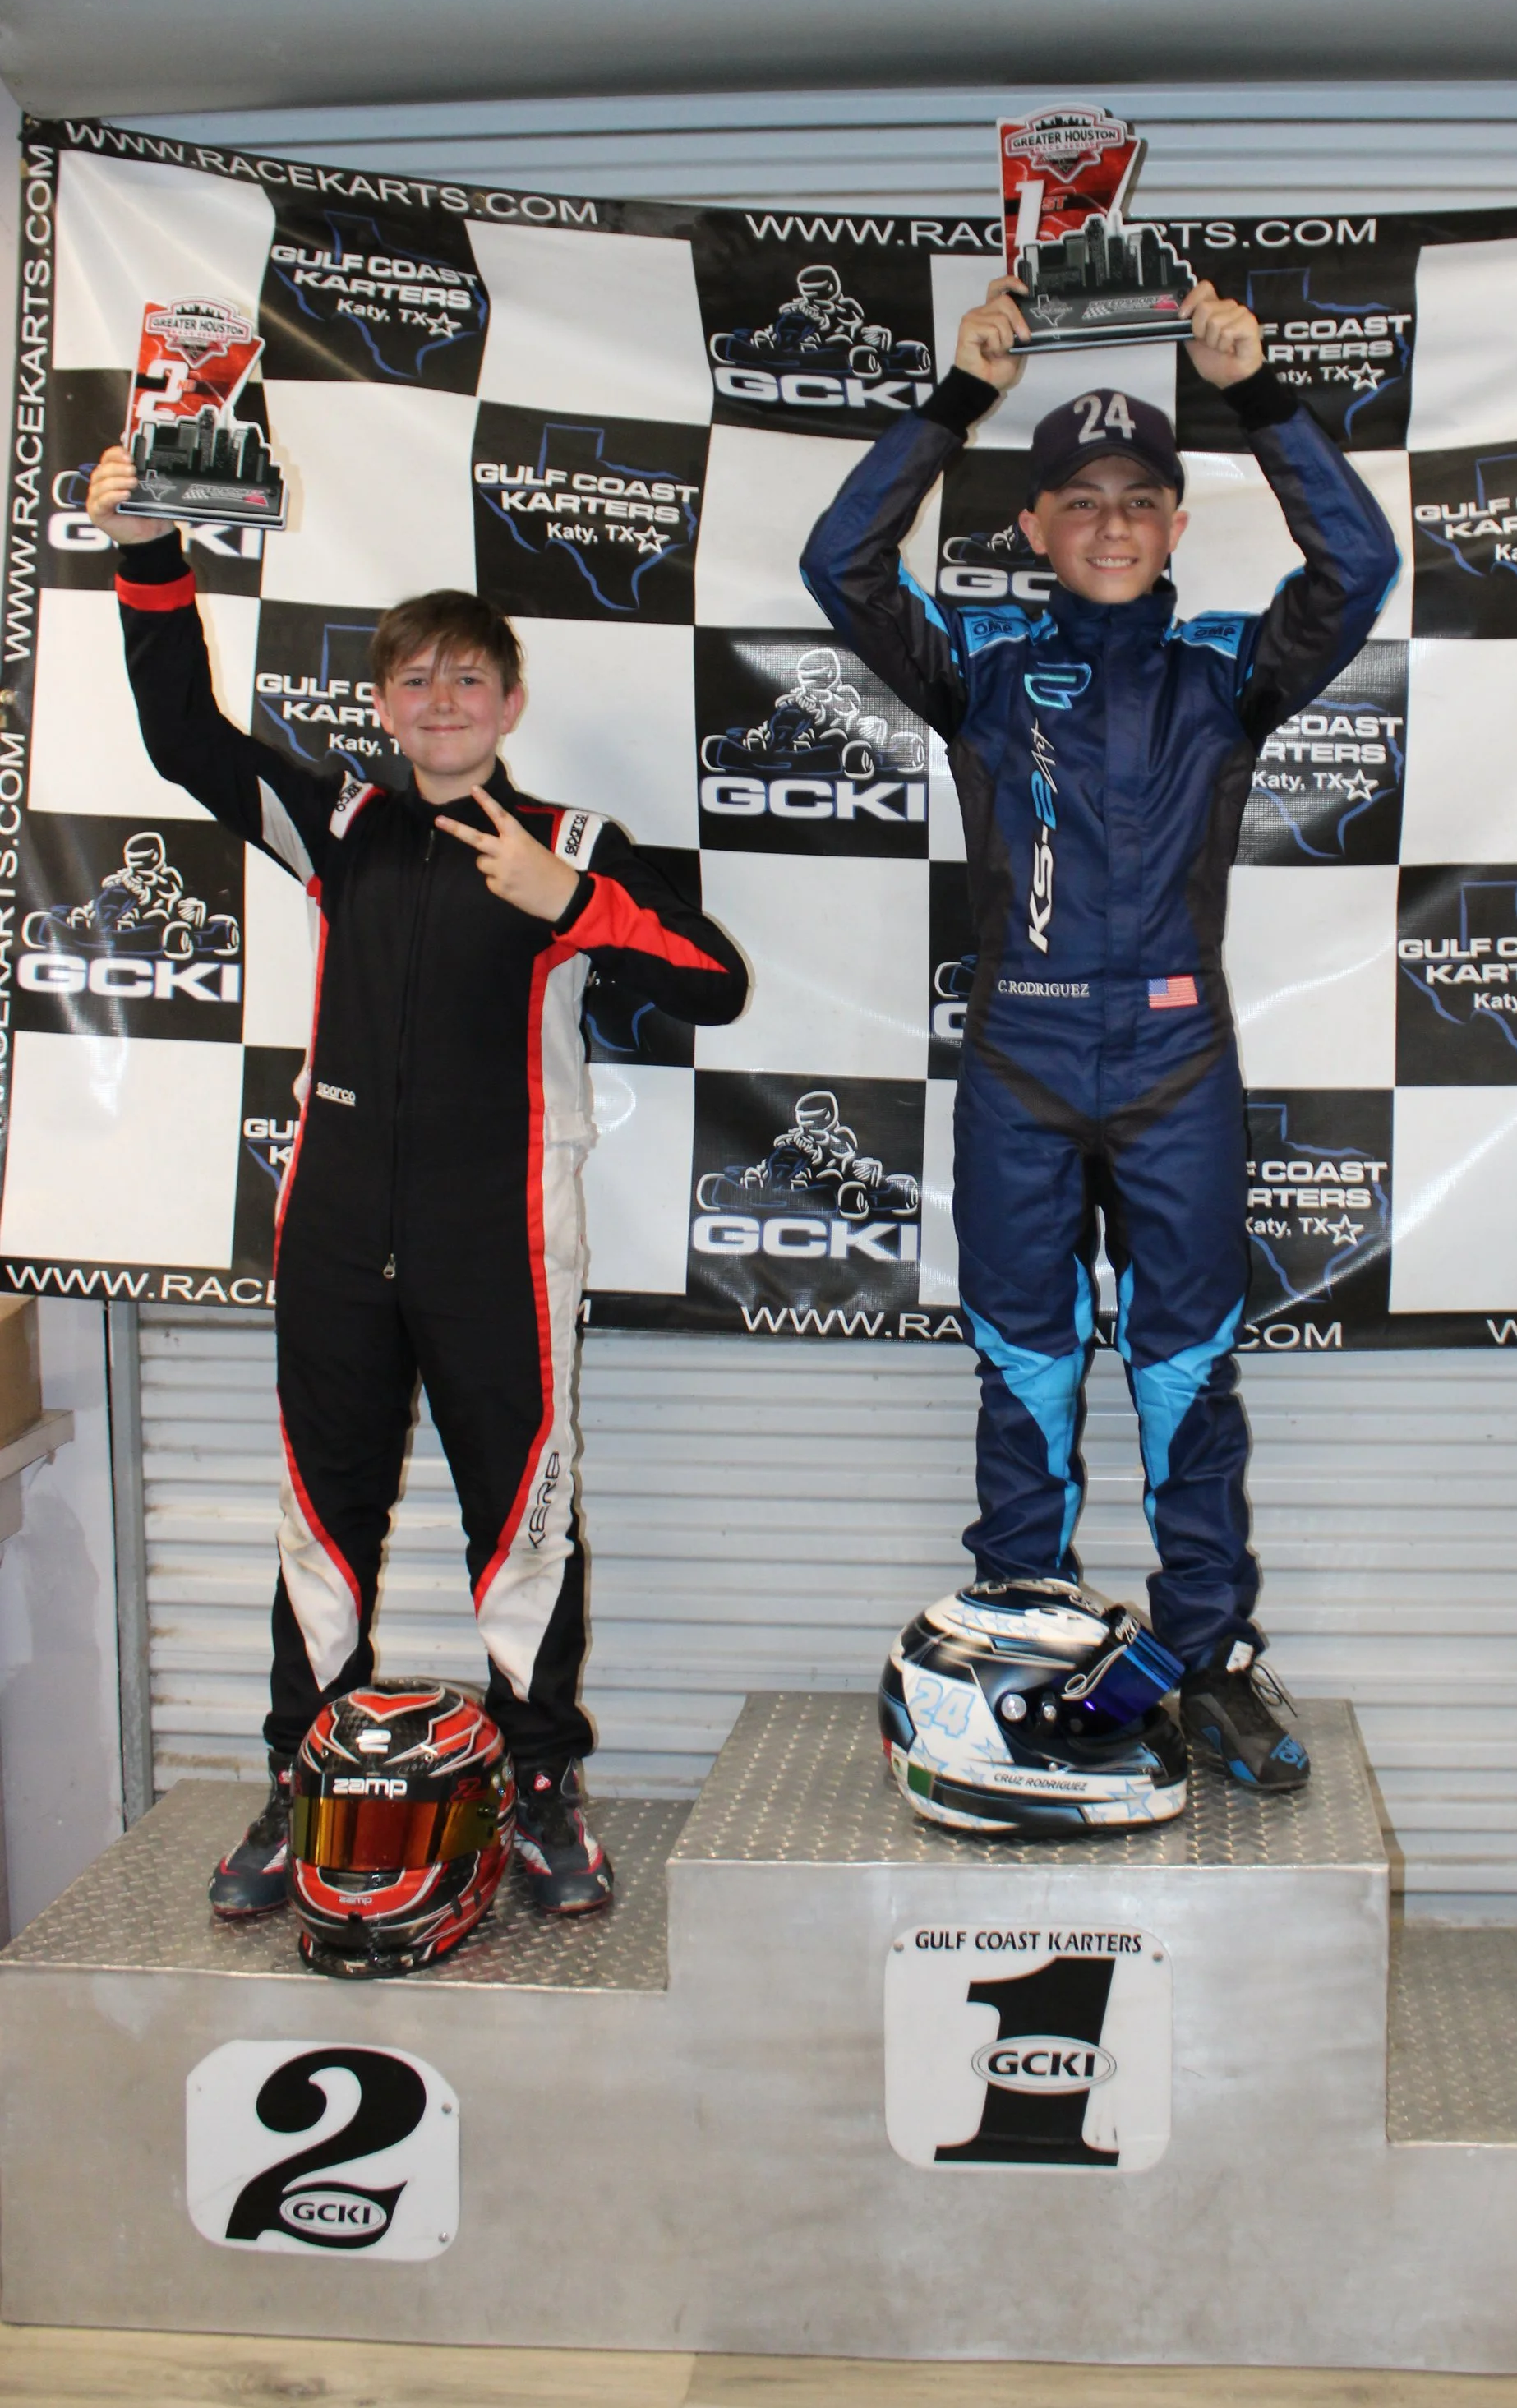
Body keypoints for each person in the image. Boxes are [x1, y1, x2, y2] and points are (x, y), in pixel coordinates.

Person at [86, 446, 749, 1921]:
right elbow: (185, 733)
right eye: (417, 684)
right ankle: (299, 1778)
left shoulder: (568, 843)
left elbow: (718, 982)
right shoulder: (340, 825)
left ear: (512, 702)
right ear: (384, 707)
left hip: (501, 1242)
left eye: (470, 681)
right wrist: (148, 551)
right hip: (332, 1238)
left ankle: (541, 1788)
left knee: (520, 1525)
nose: (443, 704)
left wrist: (572, 905)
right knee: (319, 1522)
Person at [800, 280, 1399, 1789]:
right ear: (1040, 525)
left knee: (1190, 1371)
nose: (1116, 523)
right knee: (1028, 1368)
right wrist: (953, 399)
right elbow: (838, 561)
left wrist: (1259, 397)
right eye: (1083, 501)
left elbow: (1360, 560)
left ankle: (1208, 1660)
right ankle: (1023, 1636)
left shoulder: (1227, 675)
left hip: (1182, 1067)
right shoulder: (979, 672)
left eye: (1144, 499)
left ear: (1179, 525)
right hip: (1018, 1061)